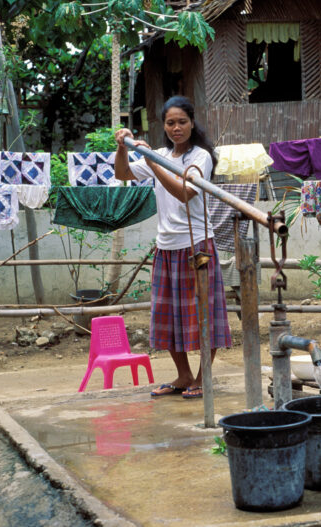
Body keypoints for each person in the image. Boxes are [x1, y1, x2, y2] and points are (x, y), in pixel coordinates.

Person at [114, 95, 232, 399]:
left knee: (205, 314)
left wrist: (153, 160)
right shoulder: (162, 155)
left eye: (182, 122)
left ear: (192, 123)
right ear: (163, 126)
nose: (176, 128)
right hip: (165, 247)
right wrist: (122, 147)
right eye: (170, 122)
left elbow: (184, 192)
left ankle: (203, 377)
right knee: (166, 316)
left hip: (196, 246)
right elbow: (122, 174)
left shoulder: (200, 157)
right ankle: (183, 375)